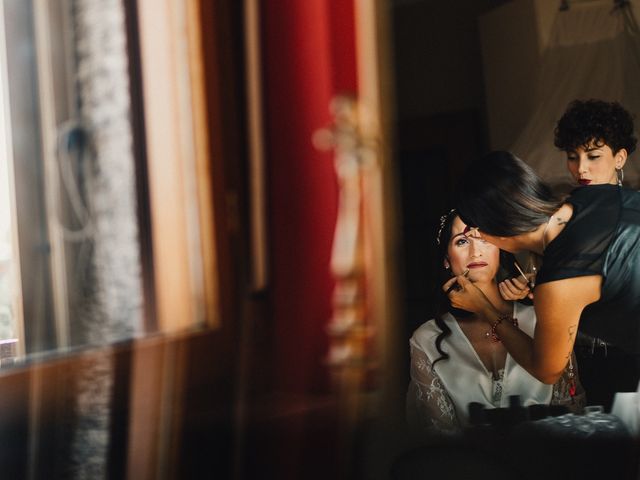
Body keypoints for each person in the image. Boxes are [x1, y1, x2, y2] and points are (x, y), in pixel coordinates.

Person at [452, 150, 640, 412]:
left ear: (496, 229)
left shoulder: (562, 278)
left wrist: (485, 308)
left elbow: (547, 370)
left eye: (477, 231)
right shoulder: (591, 195)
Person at [406, 209, 583, 435]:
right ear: (446, 260)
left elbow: (571, 414)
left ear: (501, 249)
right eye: (462, 241)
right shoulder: (427, 340)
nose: (475, 251)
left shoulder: (542, 318)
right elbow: (438, 441)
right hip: (469, 468)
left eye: (484, 239)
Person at [552, 99, 638, 409]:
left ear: (620, 157)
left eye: (593, 156)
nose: (580, 168)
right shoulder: (563, 218)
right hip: (579, 359)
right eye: (573, 157)